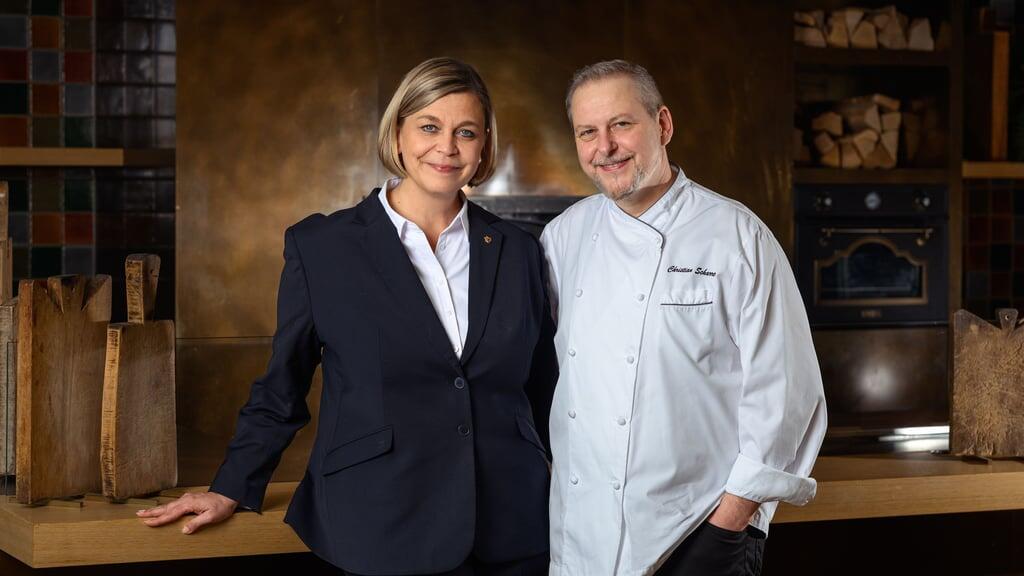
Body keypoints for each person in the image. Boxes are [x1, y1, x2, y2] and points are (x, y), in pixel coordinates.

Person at [138, 57, 557, 576]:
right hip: (380, 524)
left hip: (512, 528)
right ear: (397, 134)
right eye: (429, 127)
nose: (447, 147)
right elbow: (283, 384)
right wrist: (232, 485)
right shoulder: (323, 247)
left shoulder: (518, 250)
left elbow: (545, 390)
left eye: (465, 132)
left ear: (484, 145)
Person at [539, 59, 827, 576]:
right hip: (582, 536)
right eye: (588, 132)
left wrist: (729, 523)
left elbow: (787, 393)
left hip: (696, 535)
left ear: (663, 125)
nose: (605, 147)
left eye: (621, 124)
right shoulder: (563, 237)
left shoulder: (737, 236)